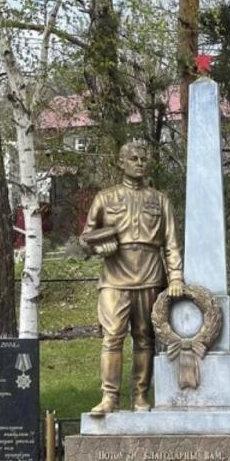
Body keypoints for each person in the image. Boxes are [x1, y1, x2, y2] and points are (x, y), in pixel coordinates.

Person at [80, 141, 183, 415]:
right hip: (115, 277)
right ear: (121, 162)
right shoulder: (105, 198)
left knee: (145, 338)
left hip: (150, 276)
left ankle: (140, 396)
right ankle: (109, 398)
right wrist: (98, 246)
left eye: (143, 158)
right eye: (133, 158)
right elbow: (86, 239)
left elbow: (172, 243)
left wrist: (176, 277)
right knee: (112, 337)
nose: (139, 162)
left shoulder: (160, 199)